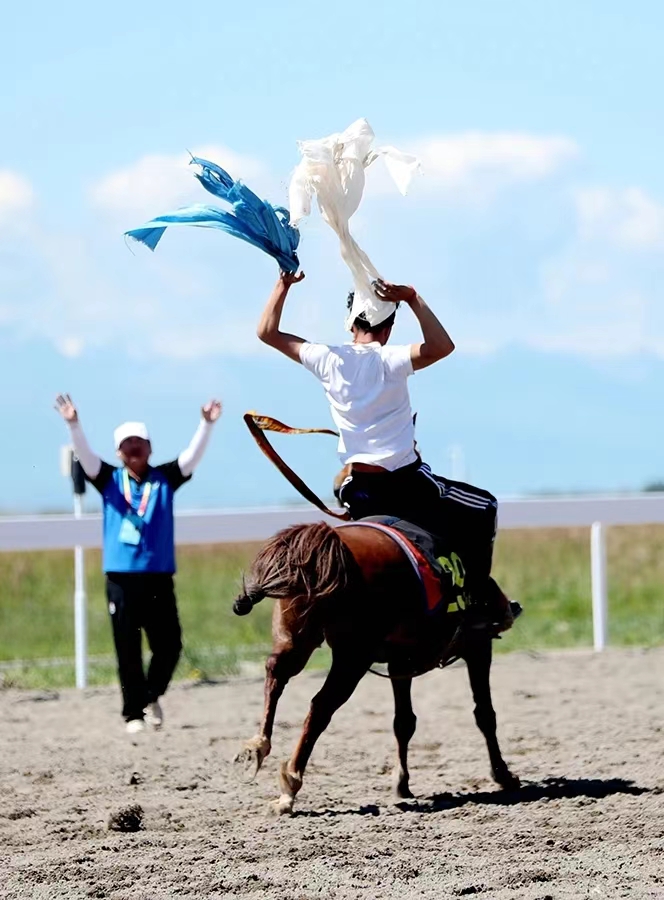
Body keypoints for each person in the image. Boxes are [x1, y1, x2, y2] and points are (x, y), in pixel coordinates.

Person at [257, 271, 516, 630]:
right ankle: (475, 597)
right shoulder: (389, 359)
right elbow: (443, 347)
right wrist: (412, 298)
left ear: (350, 323)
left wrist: (282, 285)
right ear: (389, 328)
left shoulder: (325, 358)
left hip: (359, 489)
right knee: (485, 506)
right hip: (407, 486)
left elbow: (266, 332)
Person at [55, 394, 222, 733]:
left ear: (149, 447)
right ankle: (133, 713)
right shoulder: (109, 480)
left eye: (139, 443)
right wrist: (73, 424)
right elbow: (86, 459)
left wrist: (206, 423)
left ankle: (149, 695)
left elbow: (192, 458)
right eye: (127, 444)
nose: (133, 449)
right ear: (119, 451)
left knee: (170, 645)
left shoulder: (165, 479)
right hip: (121, 577)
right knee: (127, 648)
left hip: (159, 575)